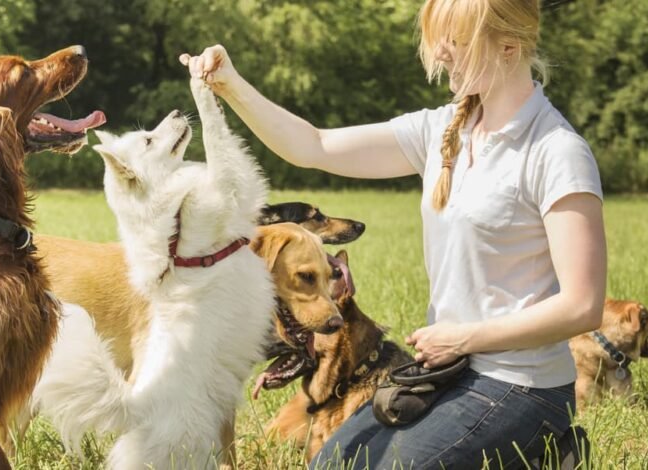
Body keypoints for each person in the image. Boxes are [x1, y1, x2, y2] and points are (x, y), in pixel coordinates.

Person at [180, 0, 606, 467]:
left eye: (455, 41)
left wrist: (466, 338)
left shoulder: (557, 152)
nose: (441, 54)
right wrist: (232, 84)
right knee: (331, 463)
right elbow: (313, 146)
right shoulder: (443, 129)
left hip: (520, 385)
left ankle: (546, 448)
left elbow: (582, 306)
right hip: (446, 371)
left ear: (508, 46)